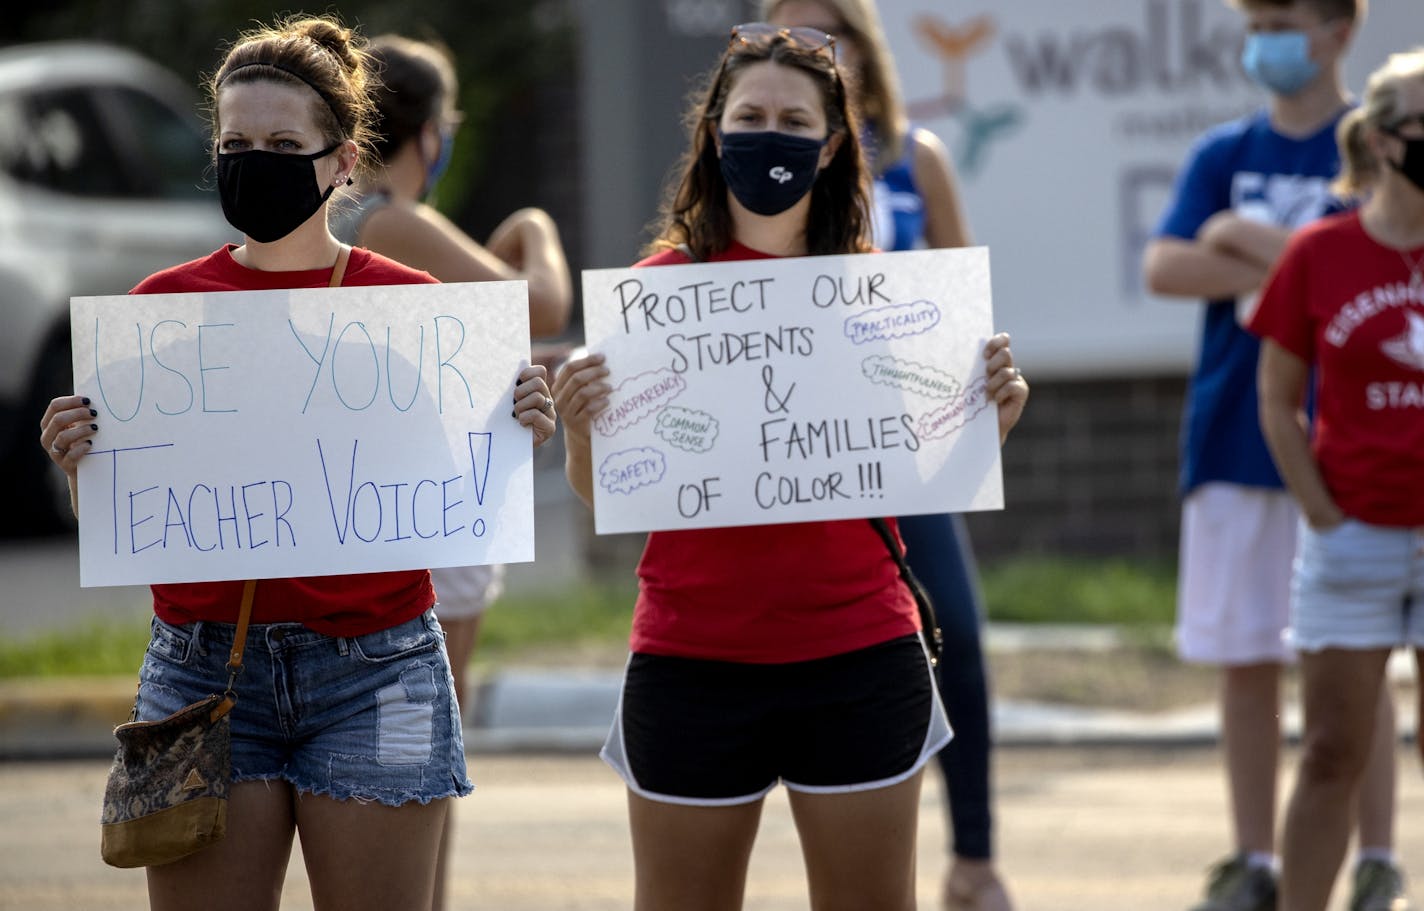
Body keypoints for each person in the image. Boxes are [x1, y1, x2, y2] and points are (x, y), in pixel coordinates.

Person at [36, 16, 557, 911]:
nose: (255, 160)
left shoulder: (413, 310)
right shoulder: (159, 311)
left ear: (343, 161)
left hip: (378, 667)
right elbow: (122, 514)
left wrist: (516, 424)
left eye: (284, 144)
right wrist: (74, 460)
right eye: (236, 142)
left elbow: (454, 486)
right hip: (205, 675)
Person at [552, 22, 1028, 911]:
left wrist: (988, 423)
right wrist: (583, 433)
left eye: (794, 119)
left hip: (860, 656)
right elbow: (613, 489)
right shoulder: (656, 293)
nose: (769, 134)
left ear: (834, 143)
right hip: (691, 659)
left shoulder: (886, 295)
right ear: (712, 134)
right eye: (749, 115)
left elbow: (922, 478)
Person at [1143, 3, 1408, 910]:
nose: (1266, 39)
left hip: (1354, 450)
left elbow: (1373, 250)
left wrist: (1244, 243)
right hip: (1235, 434)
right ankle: (1254, 861)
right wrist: (1299, 268)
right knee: (1246, 656)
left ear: (1339, 28)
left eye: (1284, 19)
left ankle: (1377, 857)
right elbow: (1165, 266)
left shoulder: (1380, 146)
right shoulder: (1226, 151)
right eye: (1255, 19)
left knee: (1354, 666)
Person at [759, 3, 1012, 909]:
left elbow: (960, 295)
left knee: (961, 642)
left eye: (832, 31)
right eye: (790, 34)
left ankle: (975, 857)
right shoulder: (746, 166)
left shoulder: (916, 158)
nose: (815, 49)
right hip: (789, 448)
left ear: (867, 49)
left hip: (902, 445)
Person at [329, 32, 573, 911]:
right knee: (427, 732)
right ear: (429, 132)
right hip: (427, 510)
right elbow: (539, 300)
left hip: (391, 503)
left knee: (418, 734)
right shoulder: (389, 216)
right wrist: (536, 227)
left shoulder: (352, 219)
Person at [1249, 46, 1424, 911]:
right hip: (1352, 540)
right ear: (1389, 140)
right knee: (1330, 752)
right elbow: (1277, 398)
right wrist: (1322, 515)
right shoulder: (1320, 250)